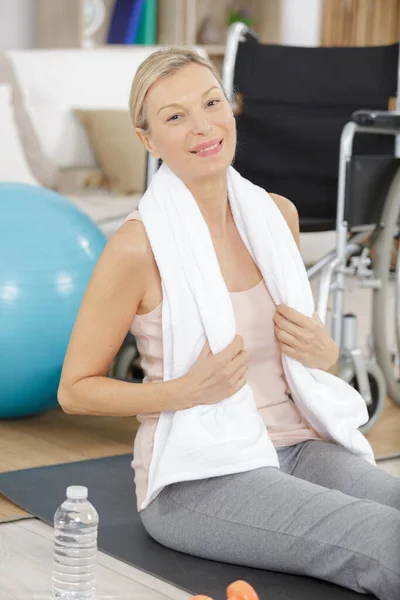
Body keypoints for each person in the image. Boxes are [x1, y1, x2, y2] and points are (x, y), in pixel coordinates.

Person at [57, 48, 400, 599]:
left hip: (299, 444)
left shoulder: (275, 214)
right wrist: (184, 390)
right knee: (386, 538)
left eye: (211, 102)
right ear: (148, 140)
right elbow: (74, 391)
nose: (203, 126)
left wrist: (325, 354)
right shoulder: (136, 246)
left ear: (231, 108)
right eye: (175, 117)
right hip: (198, 474)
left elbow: (303, 358)